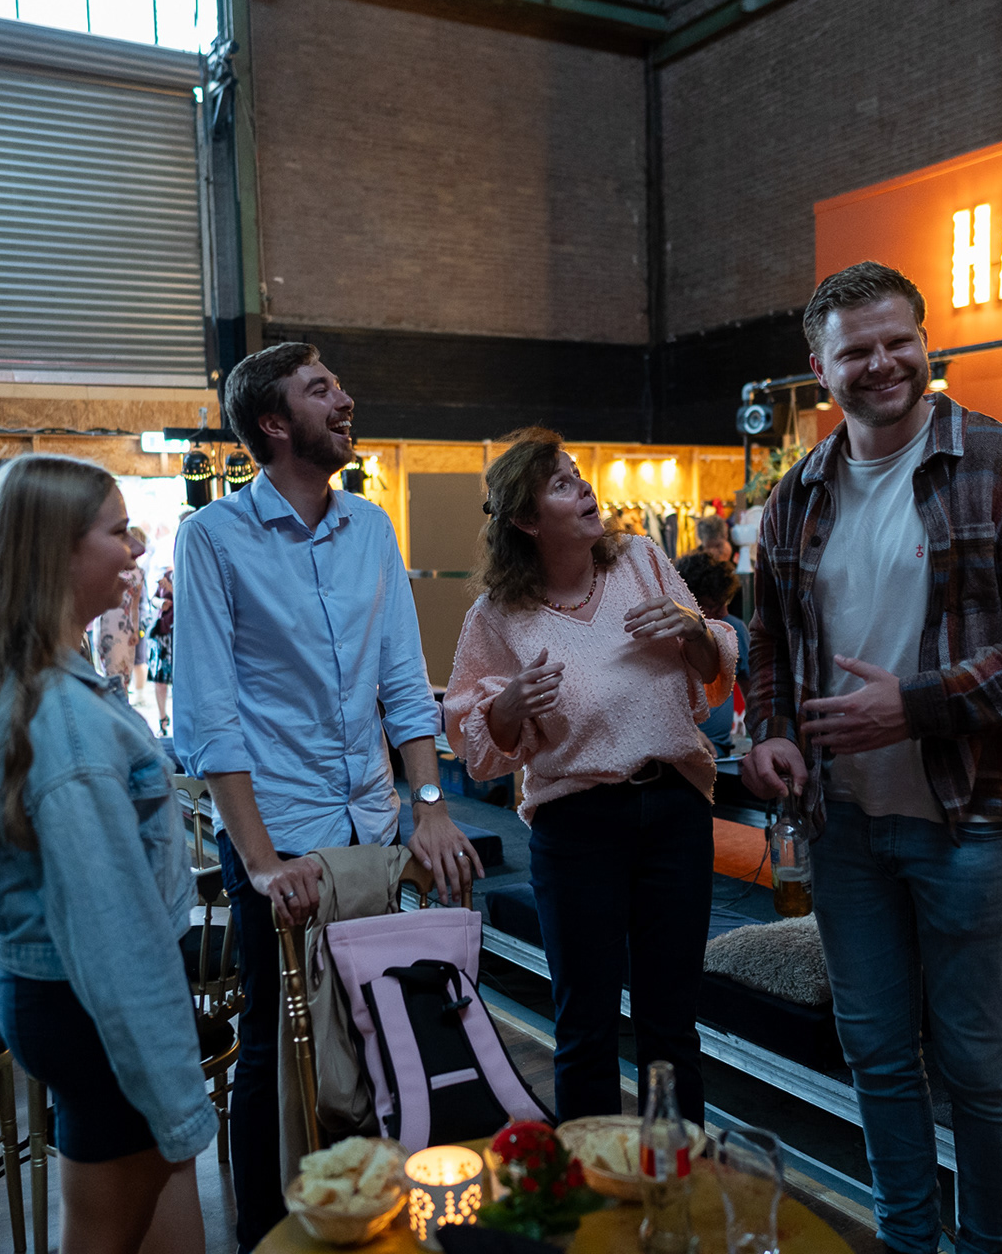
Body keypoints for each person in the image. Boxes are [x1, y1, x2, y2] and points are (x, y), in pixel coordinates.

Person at [738, 260, 1002, 1254]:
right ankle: (906, 1238)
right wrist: (770, 730)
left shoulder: (997, 461)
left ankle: (996, 1244)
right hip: (843, 822)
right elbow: (769, 638)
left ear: (925, 343)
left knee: (981, 1065)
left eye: (900, 341)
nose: (884, 362)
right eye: (858, 350)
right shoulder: (801, 490)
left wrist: (918, 704)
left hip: (975, 818)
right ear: (821, 368)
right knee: (878, 1056)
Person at [175, 341, 483, 1252]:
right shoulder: (213, 536)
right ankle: (269, 1235)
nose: (345, 400)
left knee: (379, 1034)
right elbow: (208, 717)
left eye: (340, 385)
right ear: (274, 423)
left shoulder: (371, 528)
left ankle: (372, 1217)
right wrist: (260, 862)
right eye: (321, 390)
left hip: (372, 828)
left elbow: (403, 682)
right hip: (280, 837)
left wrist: (430, 806)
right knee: (278, 1046)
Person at [0, 454, 210, 1254]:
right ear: (58, 554)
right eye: (118, 531)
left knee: (129, 1211)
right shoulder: (61, 721)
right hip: (91, 1006)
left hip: (46, 994)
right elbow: (115, 935)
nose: (136, 547)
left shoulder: (2, 682)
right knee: (108, 1230)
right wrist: (180, 1098)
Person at [445, 430, 734, 1125]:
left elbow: (713, 669)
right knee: (585, 1027)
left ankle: (678, 1180)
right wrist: (509, 706)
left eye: (579, 474)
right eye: (561, 483)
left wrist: (692, 629)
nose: (584, 488)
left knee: (672, 1024)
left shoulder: (640, 559)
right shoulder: (496, 615)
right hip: (576, 828)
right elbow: (472, 739)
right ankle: (588, 1186)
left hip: (674, 810)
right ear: (525, 519)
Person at [674, 550, 750, 759]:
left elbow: (750, 687)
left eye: (725, 602)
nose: (723, 612)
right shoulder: (670, 635)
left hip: (721, 750)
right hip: (680, 749)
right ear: (689, 602)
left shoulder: (734, 628)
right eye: (712, 606)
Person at [94, 527, 148, 688]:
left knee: (121, 675)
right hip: (108, 623)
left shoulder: (138, 573)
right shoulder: (110, 567)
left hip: (122, 628)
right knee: (112, 673)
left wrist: (135, 630)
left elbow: (135, 606)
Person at [143, 567, 173, 735]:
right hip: (161, 633)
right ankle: (162, 719)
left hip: (179, 634)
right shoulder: (167, 574)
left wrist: (171, 590)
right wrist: (160, 603)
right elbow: (153, 598)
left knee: (179, 681)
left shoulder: (188, 575)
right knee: (160, 680)